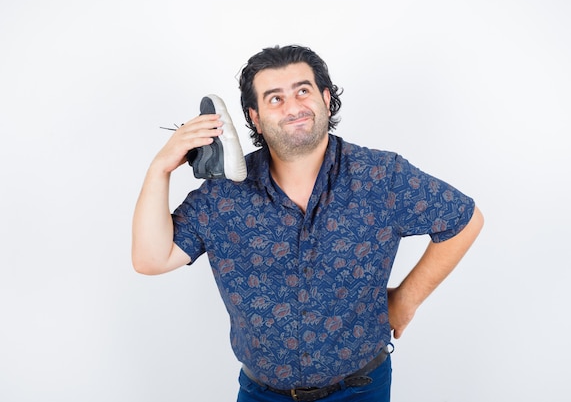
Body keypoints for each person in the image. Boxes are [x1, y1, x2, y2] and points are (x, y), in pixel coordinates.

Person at [132, 45, 484, 402]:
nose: (293, 106)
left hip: (360, 388)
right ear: (254, 117)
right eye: (274, 98)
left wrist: (406, 300)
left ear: (326, 99)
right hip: (261, 393)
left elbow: (463, 219)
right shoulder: (223, 194)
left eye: (303, 90)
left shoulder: (381, 176)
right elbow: (151, 259)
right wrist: (160, 167)